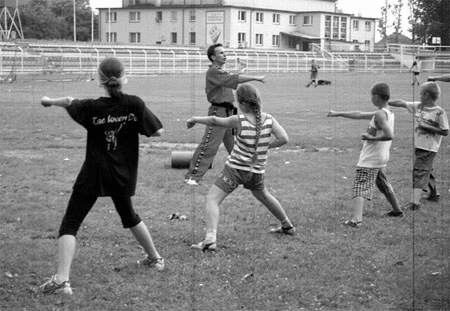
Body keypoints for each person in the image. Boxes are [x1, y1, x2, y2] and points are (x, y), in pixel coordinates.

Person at [39, 57, 165, 295]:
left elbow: (68, 101)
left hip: (95, 173)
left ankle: (61, 281)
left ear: (99, 79)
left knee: (71, 223)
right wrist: (132, 124)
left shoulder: (91, 108)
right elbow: (158, 131)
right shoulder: (134, 104)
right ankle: (155, 259)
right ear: (124, 76)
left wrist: (48, 101)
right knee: (129, 215)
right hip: (122, 174)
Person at [186, 83, 295, 251]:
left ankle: (210, 239)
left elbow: (215, 120)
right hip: (256, 172)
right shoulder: (269, 119)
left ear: (243, 103)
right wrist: (265, 146)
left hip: (235, 170)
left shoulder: (239, 120)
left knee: (212, 200)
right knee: (264, 196)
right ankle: (287, 225)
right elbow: (284, 138)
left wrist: (195, 119)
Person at [184, 43, 265, 186]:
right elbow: (234, 79)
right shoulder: (213, 71)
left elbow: (231, 78)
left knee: (234, 146)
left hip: (228, 112)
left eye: (224, 52)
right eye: (221, 53)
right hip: (218, 112)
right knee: (209, 145)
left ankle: (245, 174)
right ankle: (192, 177)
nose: (224, 54)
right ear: (213, 57)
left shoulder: (219, 71)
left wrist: (240, 72)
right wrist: (255, 77)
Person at [327, 83, 403, 227]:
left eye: (371, 95)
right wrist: (338, 113)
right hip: (380, 157)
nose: (371, 98)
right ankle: (397, 210)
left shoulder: (380, 114)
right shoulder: (386, 112)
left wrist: (371, 138)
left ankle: (356, 220)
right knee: (383, 183)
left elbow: (389, 135)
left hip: (371, 158)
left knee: (360, 186)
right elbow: (360, 114)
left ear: (376, 96)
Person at [389, 82, 449, 210]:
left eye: (421, 93)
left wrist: (426, 126)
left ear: (426, 95)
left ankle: (414, 203)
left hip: (428, 148)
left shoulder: (439, 112)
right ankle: (433, 194)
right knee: (427, 170)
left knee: (419, 172)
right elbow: (403, 103)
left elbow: (445, 131)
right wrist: (387, 101)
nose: (419, 95)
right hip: (420, 146)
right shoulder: (419, 106)